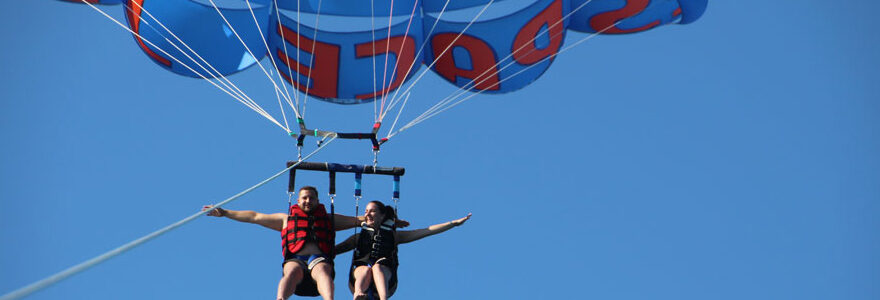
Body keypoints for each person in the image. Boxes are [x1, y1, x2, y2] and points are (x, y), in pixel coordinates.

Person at [202, 186, 407, 300]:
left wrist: (389, 221)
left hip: (319, 259)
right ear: (297, 201)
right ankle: (281, 299)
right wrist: (225, 213)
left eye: (311, 198)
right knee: (291, 272)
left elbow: (362, 220)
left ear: (318, 201)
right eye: (304, 198)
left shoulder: (328, 219)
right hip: (296, 259)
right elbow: (255, 216)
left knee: (324, 272)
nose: (307, 201)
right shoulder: (286, 219)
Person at [335, 201, 471, 300]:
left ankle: (384, 299)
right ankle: (357, 295)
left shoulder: (394, 236)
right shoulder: (358, 237)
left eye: (372, 211)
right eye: (366, 211)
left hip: (387, 278)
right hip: (359, 277)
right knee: (365, 269)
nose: (367, 214)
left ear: (382, 216)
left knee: (377, 267)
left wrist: (453, 224)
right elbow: (335, 250)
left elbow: (425, 231)